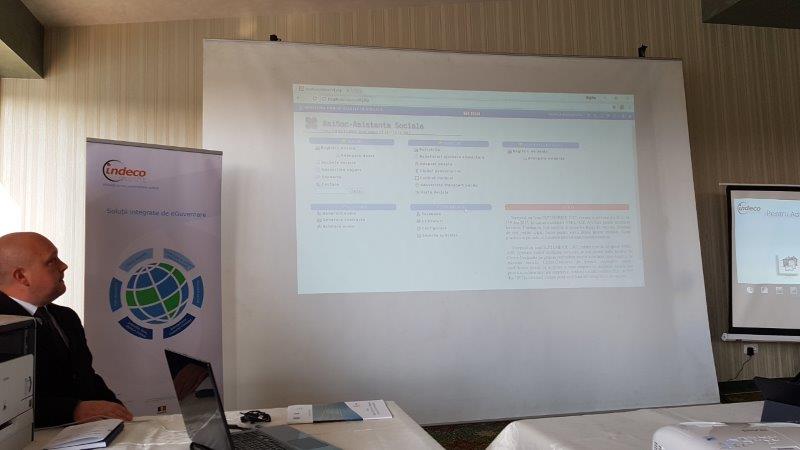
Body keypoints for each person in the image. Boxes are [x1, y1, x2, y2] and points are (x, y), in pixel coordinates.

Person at [0, 232, 133, 427]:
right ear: (22, 277)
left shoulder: (66, 317)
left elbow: (85, 376)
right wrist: (73, 410)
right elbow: (7, 401)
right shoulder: (4, 325)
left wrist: (119, 413)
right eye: (51, 261)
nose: (64, 266)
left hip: (92, 434)